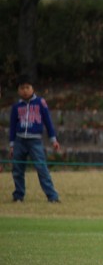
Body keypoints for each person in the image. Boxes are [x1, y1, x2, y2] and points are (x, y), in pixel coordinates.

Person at [9, 73, 61, 203]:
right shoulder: (16, 107)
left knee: (41, 168)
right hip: (19, 141)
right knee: (17, 169)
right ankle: (18, 195)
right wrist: (11, 144)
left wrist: (53, 139)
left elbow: (48, 122)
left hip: (35, 141)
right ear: (18, 90)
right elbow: (12, 126)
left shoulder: (40, 103)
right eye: (22, 88)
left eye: (27, 87)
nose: (25, 91)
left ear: (32, 88)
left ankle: (52, 196)